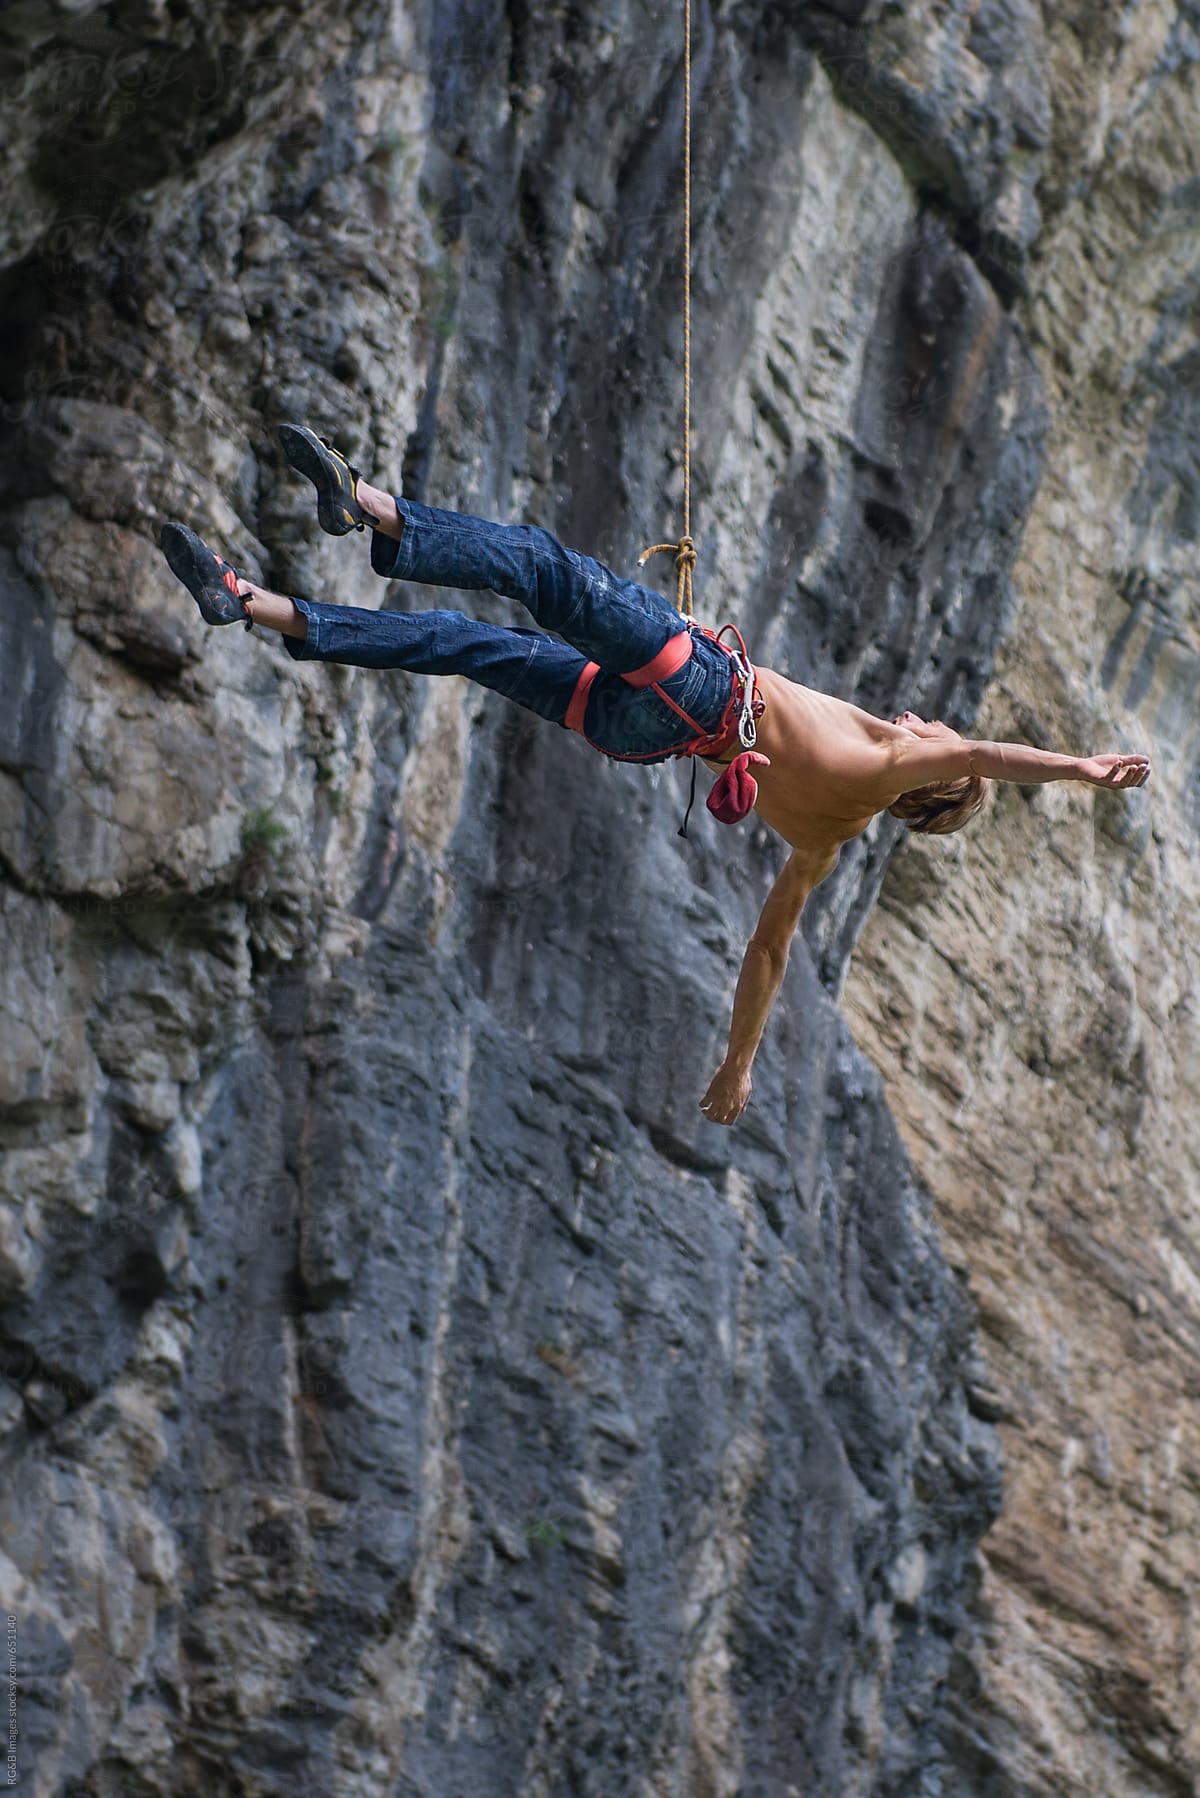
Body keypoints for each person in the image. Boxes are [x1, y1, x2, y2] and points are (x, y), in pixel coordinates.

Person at [161, 426, 1151, 1126]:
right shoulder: (827, 836)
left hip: (699, 685)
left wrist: (1079, 767)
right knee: (461, 646)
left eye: (941, 739)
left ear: (934, 783)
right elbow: (766, 955)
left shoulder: (904, 762)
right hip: (644, 732)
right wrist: (737, 1063)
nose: (932, 724)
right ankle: (249, 602)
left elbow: (980, 753)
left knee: (545, 570)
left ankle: (367, 507)